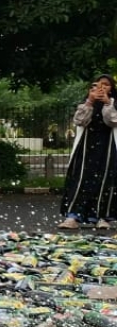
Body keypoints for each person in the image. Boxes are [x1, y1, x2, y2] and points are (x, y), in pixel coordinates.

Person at [60, 75, 117, 229]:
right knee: (80, 179)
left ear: (111, 88)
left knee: (104, 181)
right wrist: (90, 102)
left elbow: (112, 121)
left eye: (106, 85)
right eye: (99, 84)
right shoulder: (86, 103)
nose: (102, 87)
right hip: (86, 148)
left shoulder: (113, 104)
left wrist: (107, 103)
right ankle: (73, 217)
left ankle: (100, 217)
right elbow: (79, 121)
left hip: (107, 148)